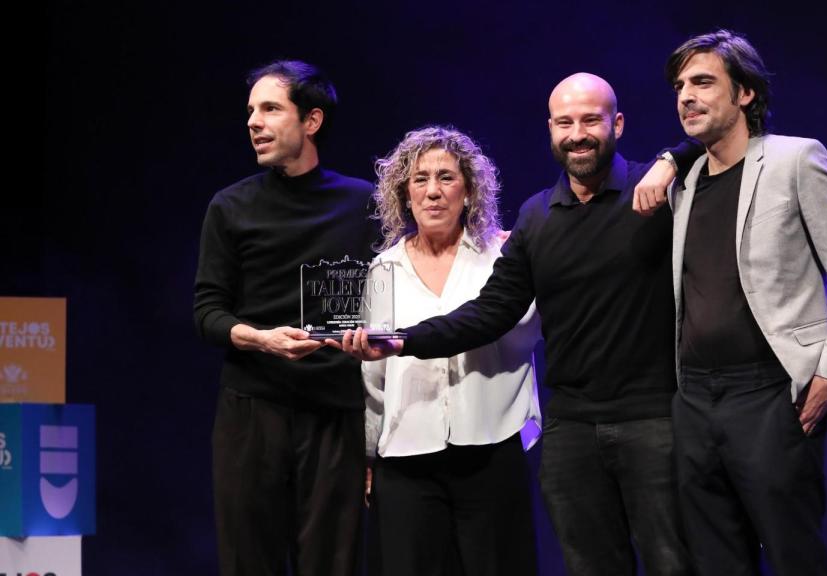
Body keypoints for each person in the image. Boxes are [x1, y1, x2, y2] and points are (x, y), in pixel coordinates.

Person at [339, 73, 702, 576]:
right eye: (565, 122)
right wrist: (401, 343)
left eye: (591, 120)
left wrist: (672, 158)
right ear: (550, 130)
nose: (578, 133)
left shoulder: (655, 194)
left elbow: (718, 149)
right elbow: (488, 315)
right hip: (566, 430)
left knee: (675, 562)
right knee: (592, 565)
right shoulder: (536, 218)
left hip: (647, 420)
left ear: (617, 123)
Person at [634, 30, 827, 576]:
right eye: (680, 86)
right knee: (716, 560)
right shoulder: (684, 180)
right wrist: (668, 160)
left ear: (745, 93)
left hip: (772, 393)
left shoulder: (797, 160)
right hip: (695, 400)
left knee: (794, 555)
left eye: (703, 82)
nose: (686, 96)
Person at [193, 60, 375, 576]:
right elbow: (207, 312)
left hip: (335, 411)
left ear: (311, 121)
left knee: (332, 563)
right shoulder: (231, 207)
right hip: (253, 408)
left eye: (270, 108)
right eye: (251, 110)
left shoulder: (363, 204)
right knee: (249, 560)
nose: (253, 121)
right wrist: (261, 340)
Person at [357, 125, 541, 576]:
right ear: (404, 193)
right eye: (420, 179)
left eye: (446, 177)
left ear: (470, 190)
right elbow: (373, 380)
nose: (433, 191)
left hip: (489, 444)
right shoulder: (384, 268)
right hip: (407, 452)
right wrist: (367, 454)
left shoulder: (502, 257)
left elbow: (524, 339)